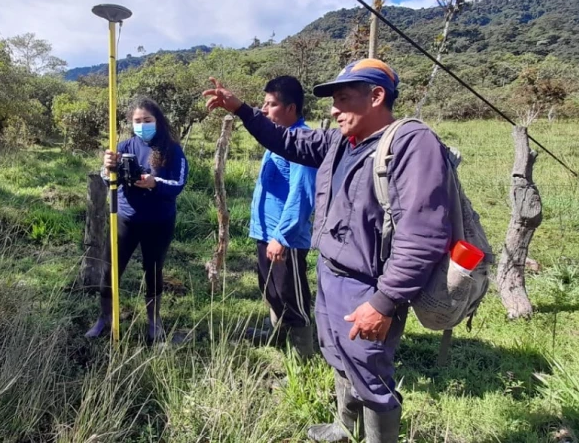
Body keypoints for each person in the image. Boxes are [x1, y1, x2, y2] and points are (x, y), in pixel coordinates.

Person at [203, 59, 453, 442]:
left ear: (376, 96)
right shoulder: (339, 141)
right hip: (331, 270)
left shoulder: (410, 144)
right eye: (333, 100)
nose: (334, 109)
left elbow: (423, 235)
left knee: (369, 368)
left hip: (369, 284)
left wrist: (384, 301)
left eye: (343, 98)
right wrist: (241, 109)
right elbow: (286, 140)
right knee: (338, 354)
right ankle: (343, 426)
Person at [85, 97, 189, 344]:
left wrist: (155, 183)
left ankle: (154, 321)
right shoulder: (123, 147)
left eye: (147, 120)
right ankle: (105, 318)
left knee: (153, 271)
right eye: (137, 121)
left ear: (158, 121)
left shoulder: (171, 149)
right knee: (111, 270)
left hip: (159, 221)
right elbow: (109, 181)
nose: (142, 125)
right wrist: (107, 168)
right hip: (125, 218)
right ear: (131, 123)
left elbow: (179, 183)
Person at [246, 76, 317, 359]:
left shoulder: (301, 142)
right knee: (271, 290)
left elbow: (302, 195)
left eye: (271, 104)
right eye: (263, 103)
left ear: (291, 108)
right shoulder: (279, 137)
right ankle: (277, 336)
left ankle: (304, 359)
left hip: (284, 238)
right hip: (266, 233)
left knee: (292, 296)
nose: (264, 109)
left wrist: (282, 237)